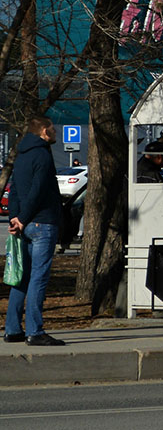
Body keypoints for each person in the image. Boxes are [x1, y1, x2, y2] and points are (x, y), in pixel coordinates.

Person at [5, 115, 66, 346]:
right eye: (53, 129)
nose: (56, 133)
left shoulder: (21, 155)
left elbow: (15, 191)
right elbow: (38, 191)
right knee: (38, 278)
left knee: (21, 276)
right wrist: (24, 217)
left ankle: (12, 329)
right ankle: (35, 331)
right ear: (43, 132)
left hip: (25, 224)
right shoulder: (42, 155)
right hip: (42, 223)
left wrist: (15, 219)